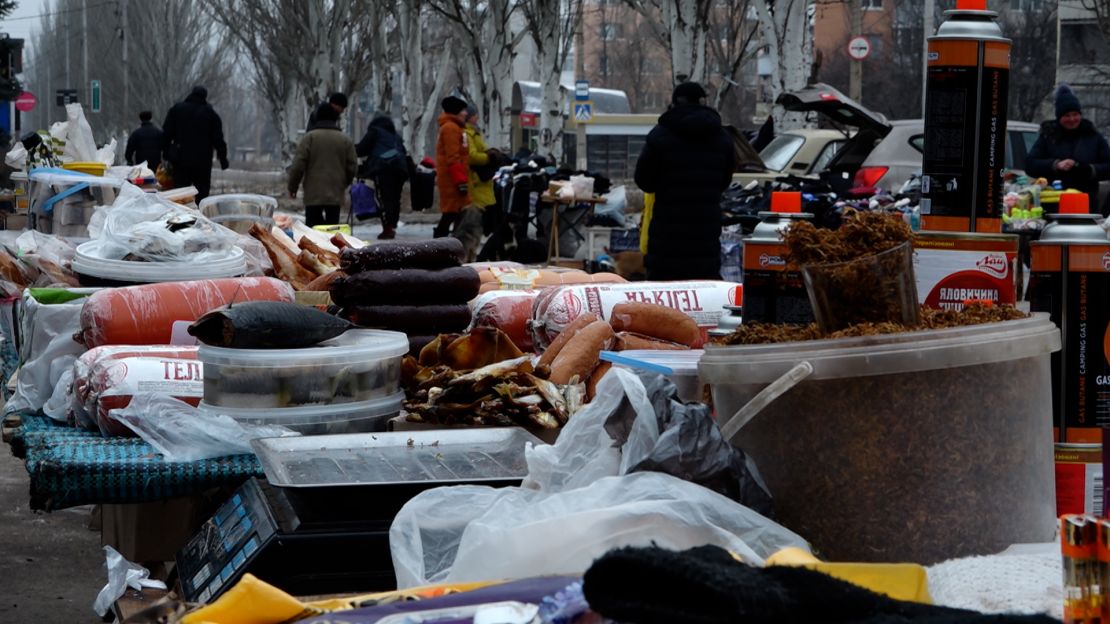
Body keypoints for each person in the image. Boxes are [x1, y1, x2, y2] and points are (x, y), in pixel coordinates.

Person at [634, 82, 735, 281]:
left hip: (666, 242)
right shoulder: (722, 138)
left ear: (673, 103)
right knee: (703, 298)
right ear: (703, 102)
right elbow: (725, 180)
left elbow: (644, 181)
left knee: (664, 302)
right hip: (705, 239)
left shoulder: (659, 136)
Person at [1026, 84, 1110, 215]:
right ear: (1059, 117)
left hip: (1086, 205)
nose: (1072, 119)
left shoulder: (1093, 136)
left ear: (1080, 114)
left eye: (1075, 114)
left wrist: (1088, 169)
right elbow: (1030, 164)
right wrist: (1055, 165)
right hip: (1054, 205)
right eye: (1067, 115)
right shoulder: (1049, 136)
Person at [288, 103, 358, 227]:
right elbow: (352, 166)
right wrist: (344, 182)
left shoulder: (309, 138)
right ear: (336, 118)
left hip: (313, 192)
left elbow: (298, 165)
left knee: (312, 230)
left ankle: (311, 247)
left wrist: (292, 187)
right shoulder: (345, 140)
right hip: (335, 191)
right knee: (331, 231)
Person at [161, 86, 229, 202]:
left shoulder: (177, 110)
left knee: (180, 193)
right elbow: (218, 139)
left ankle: (181, 217)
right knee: (201, 194)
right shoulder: (211, 114)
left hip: (180, 160)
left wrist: (166, 153)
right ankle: (199, 216)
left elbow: (166, 133)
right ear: (205, 96)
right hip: (203, 162)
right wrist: (223, 159)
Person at [356, 114, 409, 239]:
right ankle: (392, 225)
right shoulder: (396, 137)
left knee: (384, 198)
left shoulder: (375, 132)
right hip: (400, 169)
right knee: (395, 198)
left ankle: (388, 228)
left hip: (383, 168)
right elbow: (404, 152)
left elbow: (361, 150)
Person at [433, 95, 472, 240]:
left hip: (454, 178)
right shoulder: (451, 128)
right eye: (463, 110)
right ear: (456, 111)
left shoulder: (454, 127)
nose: (466, 113)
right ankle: (439, 244)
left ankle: (447, 243)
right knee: (451, 213)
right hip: (453, 180)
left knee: (455, 213)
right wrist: (460, 181)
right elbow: (453, 157)